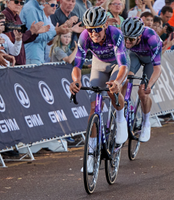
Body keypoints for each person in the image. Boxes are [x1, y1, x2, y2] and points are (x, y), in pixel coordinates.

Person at [69, 7, 129, 173]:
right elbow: (77, 65)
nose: (94, 33)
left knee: (112, 89)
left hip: (117, 64)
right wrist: (76, 81)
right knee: (94, 108)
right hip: (99, 65)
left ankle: (120, 120)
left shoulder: (115, 34)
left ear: (105, 26)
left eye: (97, 29)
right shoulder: (84, 37)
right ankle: (90, 154)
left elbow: (123, 65)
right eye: (90, 30)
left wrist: (117, 82)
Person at [121, 17, 174, 142]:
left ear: (139, 36)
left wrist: (149, 85)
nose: (127, 42)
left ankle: (146, 123)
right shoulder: (123, 36)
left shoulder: (151, 38)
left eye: (131, 39)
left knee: (143, 92)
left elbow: (157, 68)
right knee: (126, 79)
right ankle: (120, 114)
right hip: (135, 55)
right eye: (125, 38)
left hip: (150, 60)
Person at [19, 0, 70, 65]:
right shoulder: (31, 9)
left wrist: (62, 29)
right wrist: (56, 31)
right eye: (52, 5)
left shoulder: (38, 7)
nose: (54, 7)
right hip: (31, 55)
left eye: (56, 5)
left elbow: (48, 32)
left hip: (38, 56)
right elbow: (34, 37)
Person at [2, 0, 49, 65]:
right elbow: (14, 38)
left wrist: (34, 32)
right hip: (11, 60)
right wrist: (31, 32)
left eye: (21, 3)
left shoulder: (17, 16)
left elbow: (22, 39)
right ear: (8, 2)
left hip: (19, 59)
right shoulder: (5, 16)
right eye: (16, 2)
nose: (19, 4)